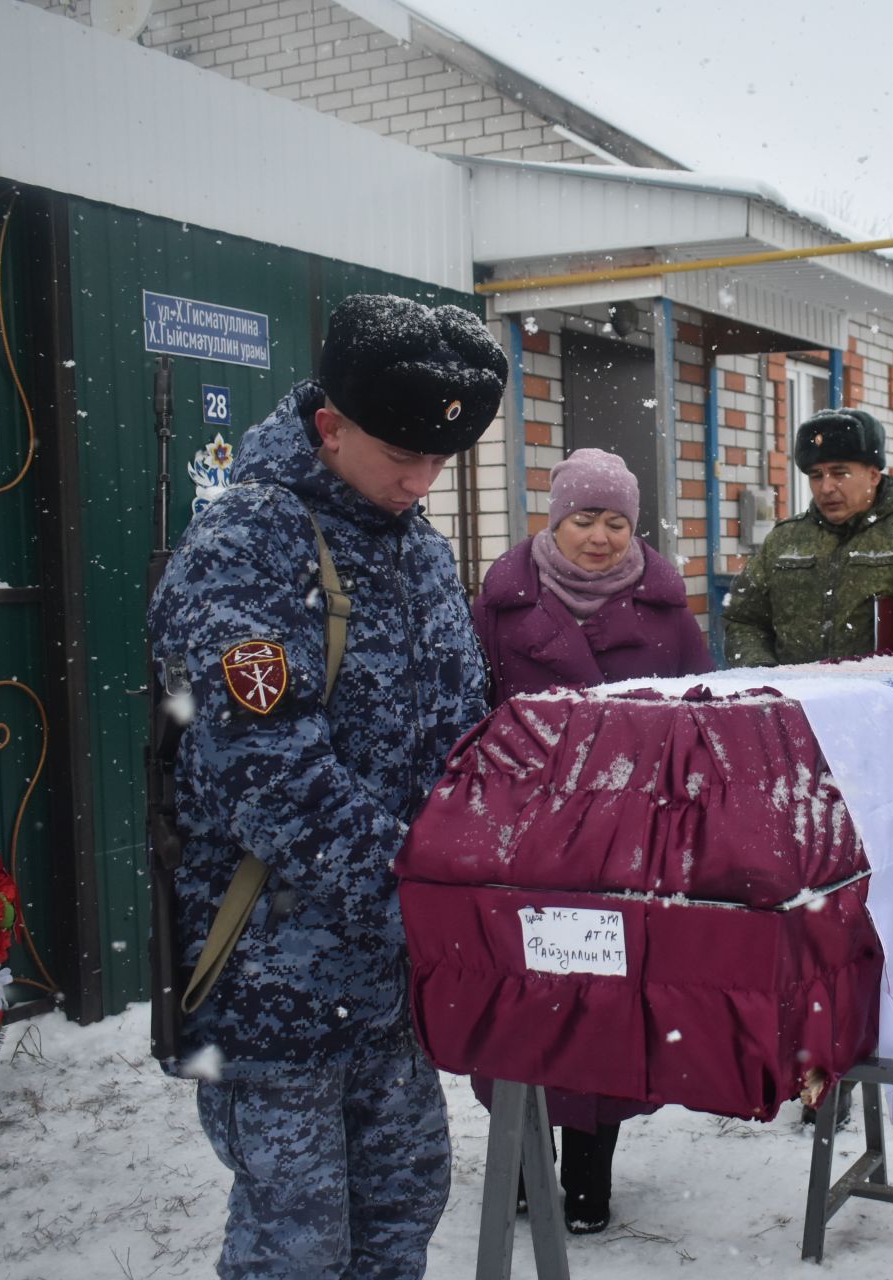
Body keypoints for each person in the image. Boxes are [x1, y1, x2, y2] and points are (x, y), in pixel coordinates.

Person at [148, 294, 507, 1278]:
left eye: (441, 460)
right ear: (329, 425)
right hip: (274, 982)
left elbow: (457, 727)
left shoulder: (414, 542)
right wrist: (431, 898)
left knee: (404, 1197)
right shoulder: (246, 546)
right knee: (298, 1241)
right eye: (403, 453)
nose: (422, 477)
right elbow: (267, 777)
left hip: (388, 984)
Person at [468, 446, 713, 1233]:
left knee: (604, 1001)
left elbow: (704, 723)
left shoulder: (668, 615)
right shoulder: (501, 606)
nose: (601, 537)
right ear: (555, 519)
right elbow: (467, 711)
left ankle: (587, 1177)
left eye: (616, 522)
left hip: (622, 841)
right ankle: (519, 1156)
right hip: (520, 840)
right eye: (585, 519)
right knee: (522, 998)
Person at [722, 408, 893, 666]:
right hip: (799, 701)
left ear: (873, 475)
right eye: (816, 476)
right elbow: (744, 620)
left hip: (883, 702)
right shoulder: (783, 541)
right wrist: (765, 675)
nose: (826, 487)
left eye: (839, 473)